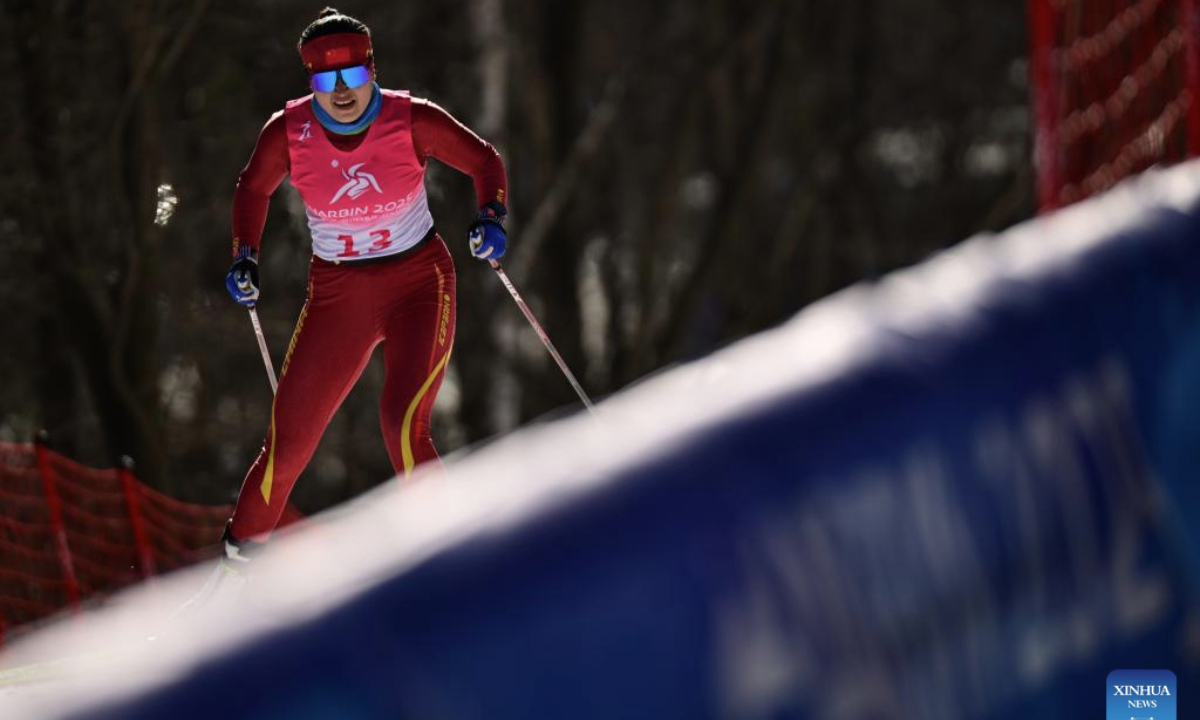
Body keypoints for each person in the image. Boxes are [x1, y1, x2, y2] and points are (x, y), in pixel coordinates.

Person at [219, 7, 508, 563]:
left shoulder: (411, 120)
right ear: (311, 82)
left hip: (418, 284)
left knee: (402, 422)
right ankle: (234, 576)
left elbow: (483, 160)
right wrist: (244, 257)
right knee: (287, 447)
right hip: (337, 296)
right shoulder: (289, 132)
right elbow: (252, 190)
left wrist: (490, 217)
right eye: (327, 79)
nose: (342, 91)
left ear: (371, 70)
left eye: (352, 75)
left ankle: (456, 559)